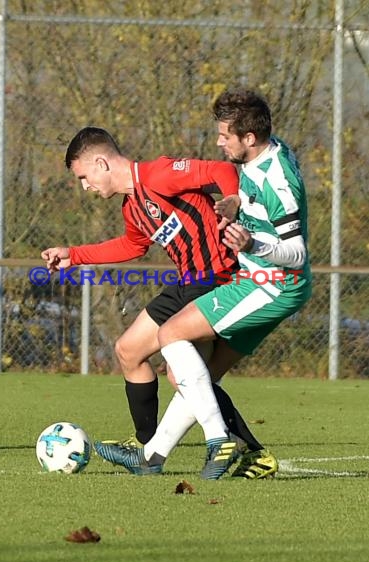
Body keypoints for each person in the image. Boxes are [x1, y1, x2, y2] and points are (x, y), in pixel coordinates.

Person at [95, 87, 312, 479]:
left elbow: (297, 254)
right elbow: (237, 182)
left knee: (171, 334)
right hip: (263, 281)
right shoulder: (264, 153)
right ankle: (153, 458)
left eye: (225, 135)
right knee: (194, 377)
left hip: (270, 283)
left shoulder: (277, 180)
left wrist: (253, 242)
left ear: (249, 137)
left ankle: (218, 439)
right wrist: (235, 202)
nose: (218, 141)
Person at [41, 126, 272, 478]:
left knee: (183, 376)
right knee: (128, 350)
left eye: (85, 177)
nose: (86, 187)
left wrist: (231, 200)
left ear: (101, 163)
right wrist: (75, 254)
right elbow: (132, 246)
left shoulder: (160, 174)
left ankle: (251, 452)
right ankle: (146, 446)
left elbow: (221, 170)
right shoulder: (132, 208)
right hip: (187, 283)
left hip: (219, 277)